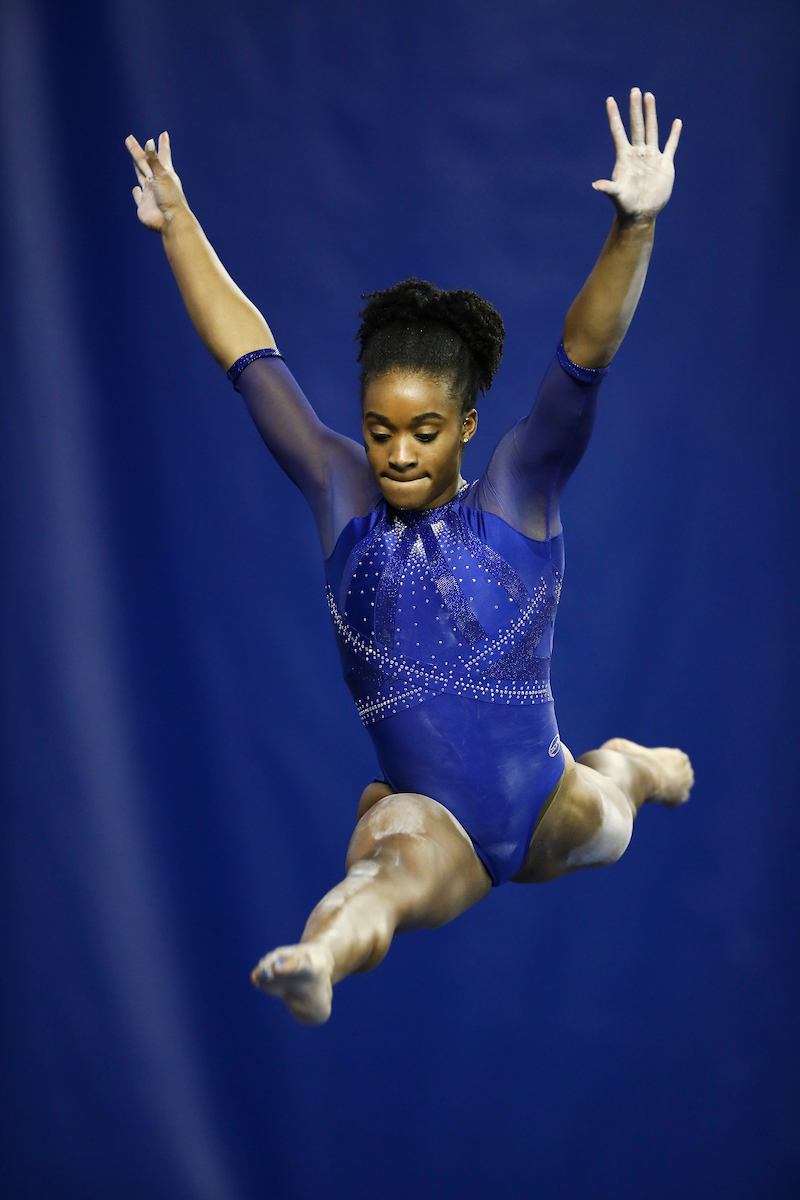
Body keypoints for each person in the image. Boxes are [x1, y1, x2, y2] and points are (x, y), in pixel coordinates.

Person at [126, 87, 692, 1026]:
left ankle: (634, 763)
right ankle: (316, 959)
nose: (396, 452)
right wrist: (179, 224)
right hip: (443, 828)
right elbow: (250, 358)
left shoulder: (519, 495)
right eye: (379, 428)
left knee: (620, 802)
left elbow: (581, 362)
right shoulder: (339, 493)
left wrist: (634, 230)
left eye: (424, 431)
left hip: (550, 801)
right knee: (381, 867)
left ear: (466, 425)